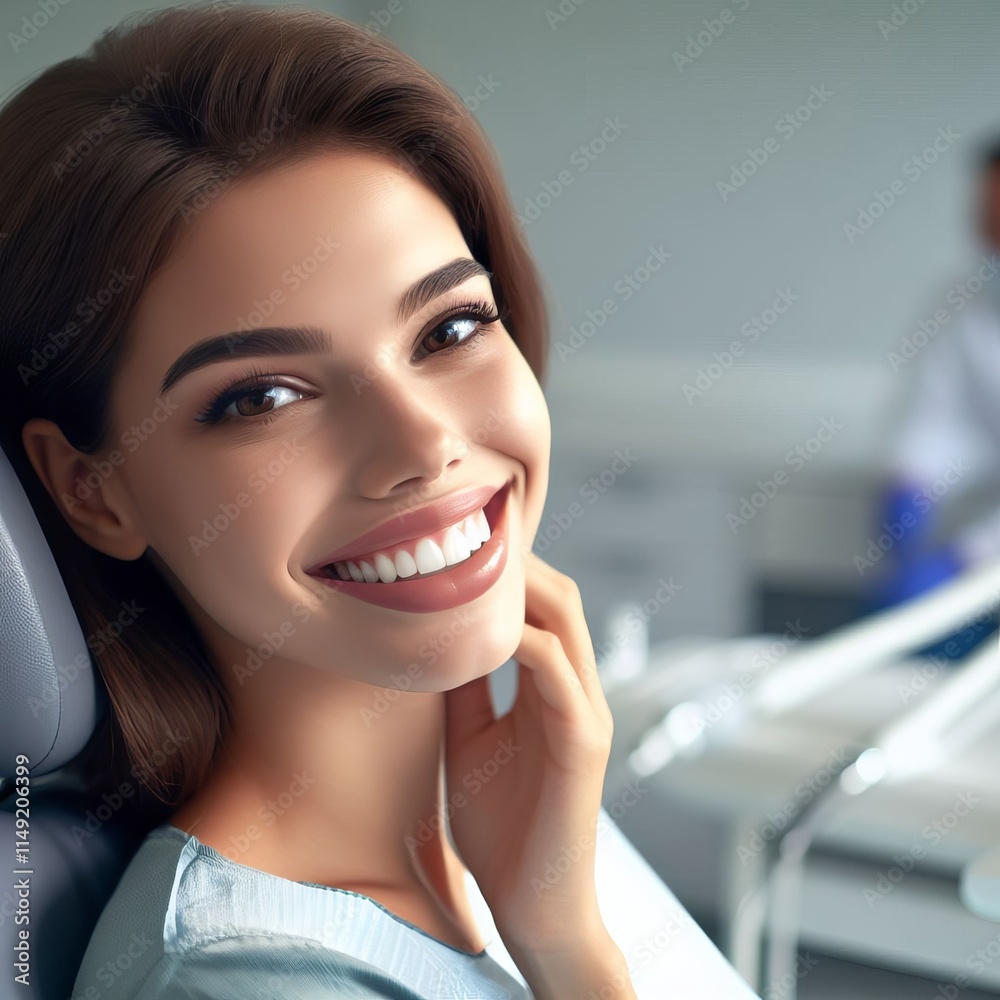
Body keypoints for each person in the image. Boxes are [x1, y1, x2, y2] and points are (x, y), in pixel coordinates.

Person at [0, 5, 760, 998]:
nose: (423, 445)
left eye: (448, 330)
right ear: (91, 491)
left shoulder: (522, 833)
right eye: (264, 396)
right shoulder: (240, 980)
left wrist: (561, 929)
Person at [867, 135, 1000, 655]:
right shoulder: (965, 307)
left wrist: (964, 560)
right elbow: (940, 421)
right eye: (985, 220)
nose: (991, 240)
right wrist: (908, 486)